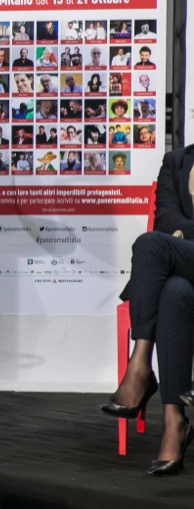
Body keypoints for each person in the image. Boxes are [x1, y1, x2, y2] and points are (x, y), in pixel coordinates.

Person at [101, 147, 194, 475]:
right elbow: (165, 220)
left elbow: (168, 234)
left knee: (151, 245)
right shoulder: (177, 162)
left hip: (179, 256)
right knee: (173, 292)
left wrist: (180, 240)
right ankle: (174, 421)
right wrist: (180, 245)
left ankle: (139, 370)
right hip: (186, 274)